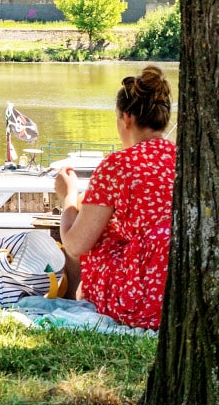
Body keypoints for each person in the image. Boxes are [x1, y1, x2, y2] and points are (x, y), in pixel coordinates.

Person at [51, 64, 176, 330]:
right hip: (180, 294)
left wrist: (69, 195)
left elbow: (75, 246)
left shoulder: (118, 164)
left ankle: (77, 295)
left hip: (144, 300)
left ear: (126, 119)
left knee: (98, 229)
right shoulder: (181, 156)